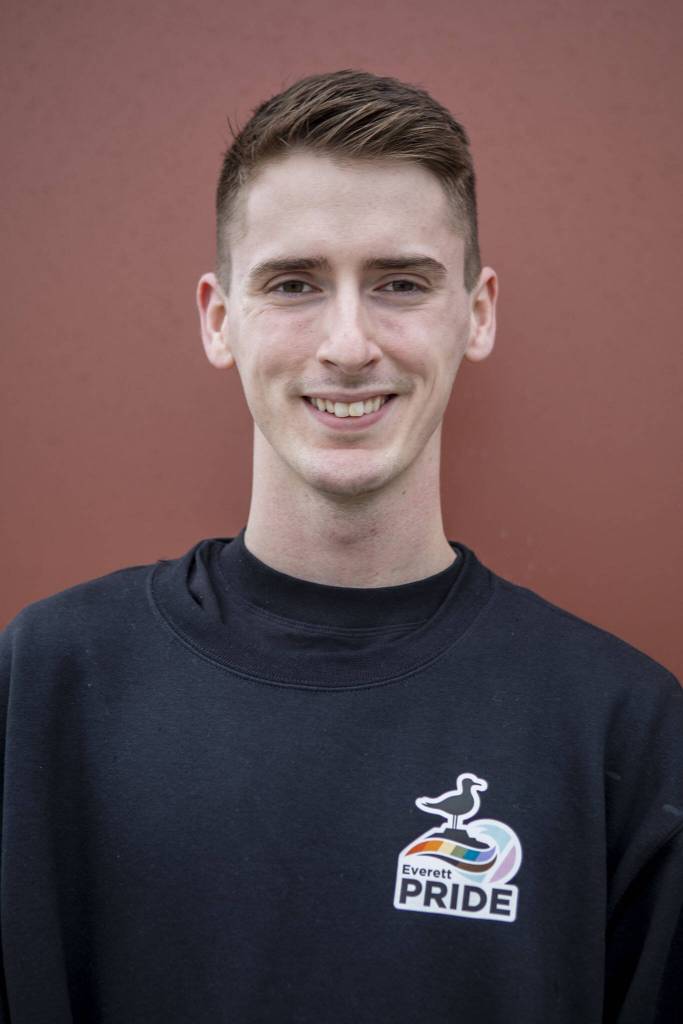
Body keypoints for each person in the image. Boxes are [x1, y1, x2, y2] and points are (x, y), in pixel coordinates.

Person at [1, 69, 681, 1024]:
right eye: (293, 284)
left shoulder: (624, 730)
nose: (350, 342)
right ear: (218, 318)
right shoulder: (49, 683)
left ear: (476, 312)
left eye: (400, 282)